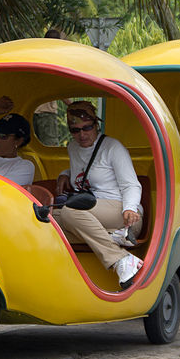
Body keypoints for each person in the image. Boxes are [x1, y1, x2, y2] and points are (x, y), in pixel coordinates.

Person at [52, 100, 143, 288]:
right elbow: (85, 170)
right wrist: (64, 174)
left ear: (96, 125)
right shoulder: (73, 148)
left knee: (70, 212)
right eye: (75, 130)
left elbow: (131, 185)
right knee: (48, 220)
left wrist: (130, 208)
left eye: (87, 128)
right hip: (93, 215)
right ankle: (112, 236)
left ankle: (121, 260)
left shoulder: (112, 147)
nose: (82, 134)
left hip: (123, 213)